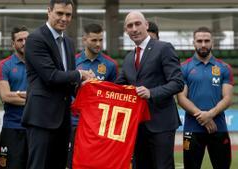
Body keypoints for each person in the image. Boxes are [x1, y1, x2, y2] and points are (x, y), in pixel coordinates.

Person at [21, 0, 94, 169]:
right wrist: (80, 74)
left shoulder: (68, 42)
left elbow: (68, 81)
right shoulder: (35, 39)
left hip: (63, 119)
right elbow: (50, 76)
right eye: (59, 13)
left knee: (60, 165)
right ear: (49, 11)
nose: (64, 18)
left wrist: (88, 86)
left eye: (68, 14)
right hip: (41, 118)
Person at [115, 11, 184, 169]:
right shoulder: (128, 58)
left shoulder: (164, 48)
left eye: (137, 24)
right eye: (129, 26)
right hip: (137, 125)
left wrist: (151, 93)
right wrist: (92, 84)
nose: (134, 29)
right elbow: (118, 88)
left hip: (161, 123)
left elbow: (177, 82)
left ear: (146, 25)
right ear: (126, 31)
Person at [177, 26, 233, 169]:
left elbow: (227, 98)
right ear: (193, 42)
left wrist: (209, 115)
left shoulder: (224, 68)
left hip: (218, 127)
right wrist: (203, 117)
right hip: (192, 129)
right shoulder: (184, 68)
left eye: (206, 41)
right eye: (199, 41)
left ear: (212, 42)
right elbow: (181, 98)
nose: (203, 44)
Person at [67, 23, 118, 168]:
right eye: (94, 40)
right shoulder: (73, 62)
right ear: (84, 40)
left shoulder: (111, 65)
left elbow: (114, 96)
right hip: (75, 122)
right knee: (73, 163)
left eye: (101, 40)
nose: (98, 44)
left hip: (98, 125)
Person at [0, 26, 29, 169]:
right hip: (12, 127)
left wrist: (21, 95)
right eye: (20, 40)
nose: (24, 42)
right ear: (13, 44)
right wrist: (36, 99)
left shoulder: (41, 64)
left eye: (27, 39)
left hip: (37, 127)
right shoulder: (4, 65)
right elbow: (6, 96)